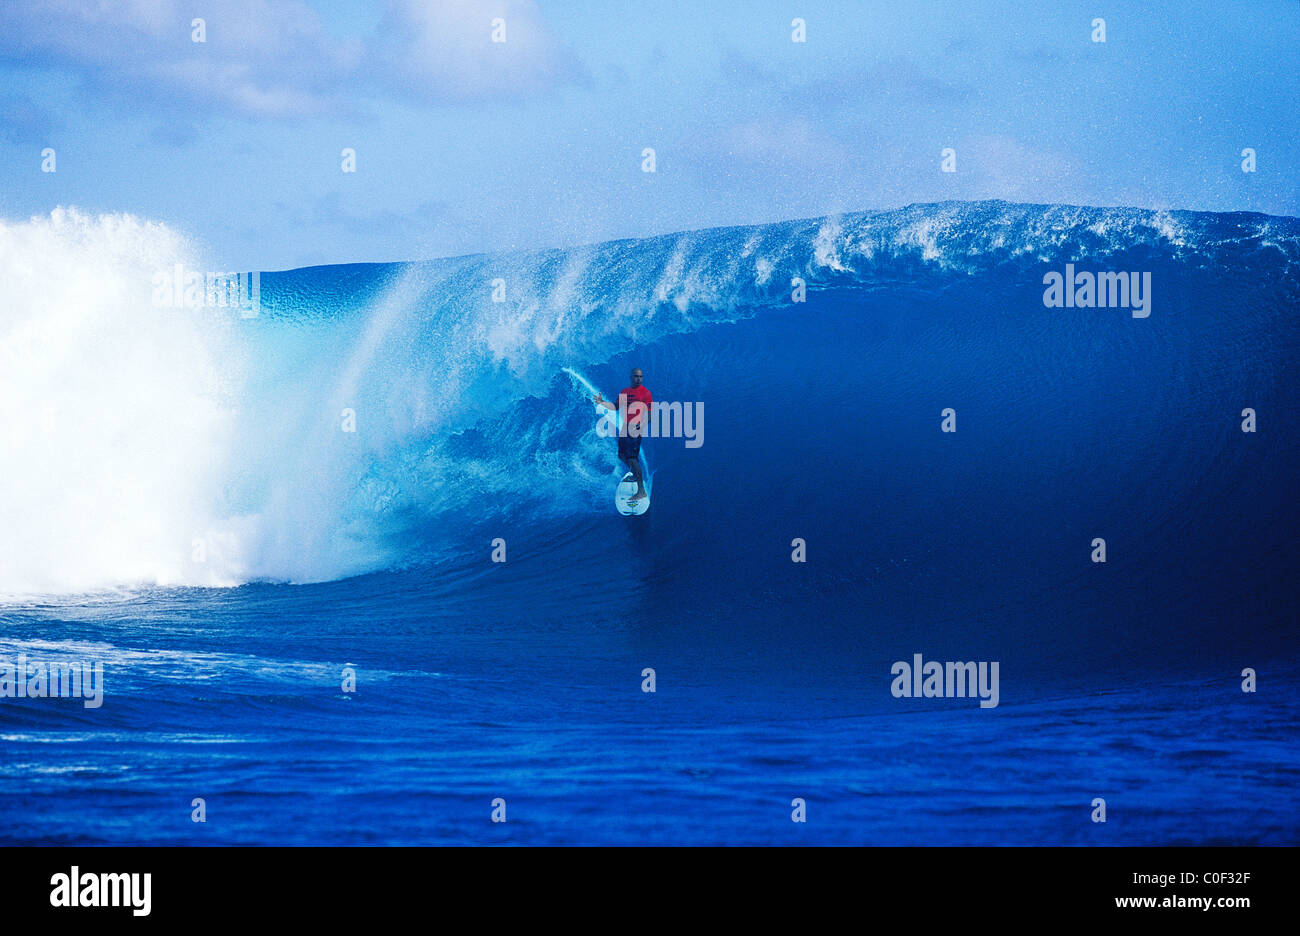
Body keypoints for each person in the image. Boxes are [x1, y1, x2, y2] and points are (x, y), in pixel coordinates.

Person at [594, 368, 652, 502]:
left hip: (635, 429)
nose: (639, 379)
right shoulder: (625, 392)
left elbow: (649, 415)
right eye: (636, 376)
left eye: (641, 377)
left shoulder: (645, 393)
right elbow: (615, 407)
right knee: (621, 455)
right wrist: (602, 402)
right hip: (625, 427)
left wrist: (641, 426)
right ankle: (635, 475)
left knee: (632, 458)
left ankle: (641, 491)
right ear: (631, 377)